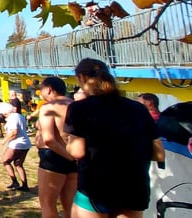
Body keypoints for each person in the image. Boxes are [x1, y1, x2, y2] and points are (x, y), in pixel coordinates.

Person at [65, 58, 165, 217]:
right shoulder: (138, 108)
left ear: (82, 78)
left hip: (97, 189)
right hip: (135, 188)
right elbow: (159, 154)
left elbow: (77, 151)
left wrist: (68, 143)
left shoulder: (79, 108)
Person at [35, 76, 77, 218]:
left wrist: (68, 157)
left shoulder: (49, 107)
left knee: (47, 203)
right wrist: (73, 158)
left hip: (53, 156)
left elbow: (49, 139)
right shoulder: (75, 105)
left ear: (49, 89)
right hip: (74, 155)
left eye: (41, 89)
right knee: (70, 204)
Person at [1, 94, 32, 192]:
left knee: (6, 161)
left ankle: (14, 181)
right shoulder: (19, 116)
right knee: (18, 164)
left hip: (17, 143)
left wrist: (5, 140)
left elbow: (14, 132)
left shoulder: (12, 118)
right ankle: (24, 185)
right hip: (26, 143)